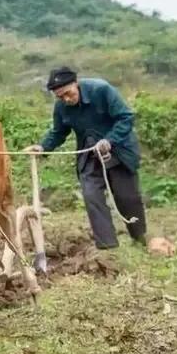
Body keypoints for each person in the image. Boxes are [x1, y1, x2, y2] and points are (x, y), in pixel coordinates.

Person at [25, 67, 147, 249]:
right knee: (91, 196)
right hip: (88, 154)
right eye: (60, 97)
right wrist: (43, 147)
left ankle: (139, 238)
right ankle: (107, 246)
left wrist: (109, 140)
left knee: (126, 197)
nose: (66, 99)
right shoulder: (61, 107)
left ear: (76, 84)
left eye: (68, 93)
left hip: (118, 150)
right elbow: (59, 132)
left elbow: (125, 117)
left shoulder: (102, 90)